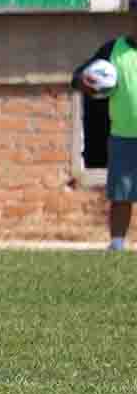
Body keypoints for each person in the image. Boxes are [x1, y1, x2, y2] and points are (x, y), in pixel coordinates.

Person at [72, 24, 137, 252]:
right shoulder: (113, 49)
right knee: (121, 195)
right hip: (123, 136)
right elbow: (79, 75)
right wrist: (83, 81)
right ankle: (117, 244)